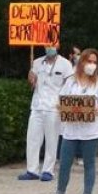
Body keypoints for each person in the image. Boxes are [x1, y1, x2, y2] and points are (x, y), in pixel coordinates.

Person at [46, 48, 98, 194]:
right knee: (64, 163)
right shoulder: (71, 81)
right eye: (89, 61)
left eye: (95, 62)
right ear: (81, 62)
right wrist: (63, 108)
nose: (92, 65)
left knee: (89, 164)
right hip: (70, 131)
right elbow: (61, 101)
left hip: (91, 132)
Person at [21, 44, 74, 182]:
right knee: (32, 138)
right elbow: (33, 84)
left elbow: (69, 85)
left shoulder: (65, 64)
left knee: (51, 139)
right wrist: (31, 79)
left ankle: (48, 170)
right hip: (37, 105)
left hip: (54, 107)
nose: (49, 47)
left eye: (52, 44)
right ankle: (32, 170)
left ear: (57, 45)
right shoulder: (37, 62)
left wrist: (65, 104)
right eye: (47, 45)